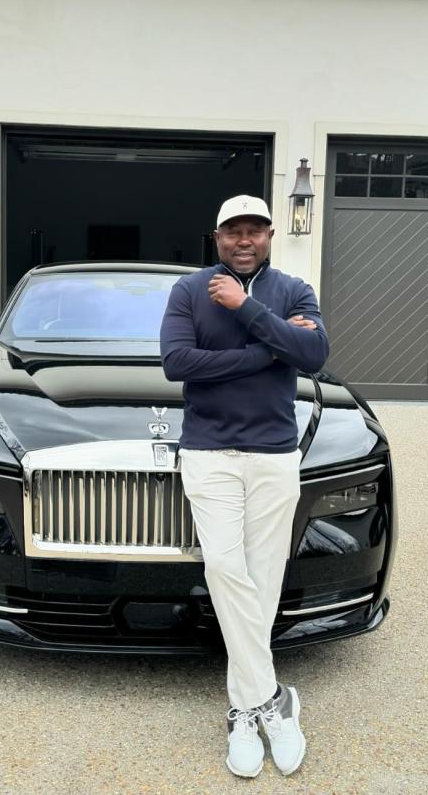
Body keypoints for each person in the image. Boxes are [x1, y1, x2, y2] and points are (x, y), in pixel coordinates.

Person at [159, 194, 329, 779]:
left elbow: (315, 355)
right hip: (210, 454)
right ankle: (274, 698)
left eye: (254, 230)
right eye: (233, 231)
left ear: (271, 234)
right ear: (217, 237)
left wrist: (249, 312)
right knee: (226, 569)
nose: (244, 240)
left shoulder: (294, 290)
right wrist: (269, 351)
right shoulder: (189, 291)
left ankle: (242, 707)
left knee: (264, 576)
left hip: (275, 456)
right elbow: (177, 362)